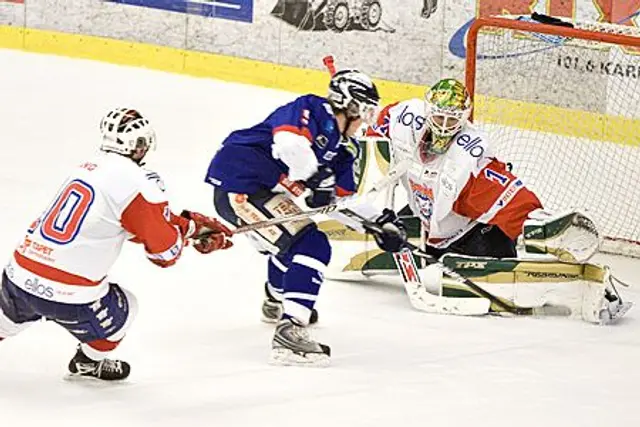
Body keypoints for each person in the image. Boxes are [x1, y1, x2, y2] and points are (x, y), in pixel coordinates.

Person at [364, 78, 630, 323]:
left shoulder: (469, 154)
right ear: (427, 109)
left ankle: (550, 244)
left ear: (465, 119)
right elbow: (373, 134)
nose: (444, 126)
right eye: (439, 117)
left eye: (452, 120)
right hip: (426, 224)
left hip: (470, 234)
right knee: (393, 224)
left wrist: (536, 224)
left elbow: (504, 192)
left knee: (502, 248)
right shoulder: (405, 117)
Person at [0, 108, 234, 381]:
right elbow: (164, 254)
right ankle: (87, 363)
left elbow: (118, 222)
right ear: (141, 145)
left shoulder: (88, 168)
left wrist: (189, 227)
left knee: (5, 321)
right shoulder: (138, 182)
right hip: (70, 296)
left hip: (18, 276)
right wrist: (185, 239)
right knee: (128, 307)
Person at [204, 69, 404, 366]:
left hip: (266, 192)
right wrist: (314, 177)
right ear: (350, 106)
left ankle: (276, 300)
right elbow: (288, 143)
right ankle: (291, 330)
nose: (365, 121)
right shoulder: (311, 108)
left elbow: (340, 201)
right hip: (240, 184)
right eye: (365, 111)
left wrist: (377, 222)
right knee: (312, 246)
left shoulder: (344, 151)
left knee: (294, 246)